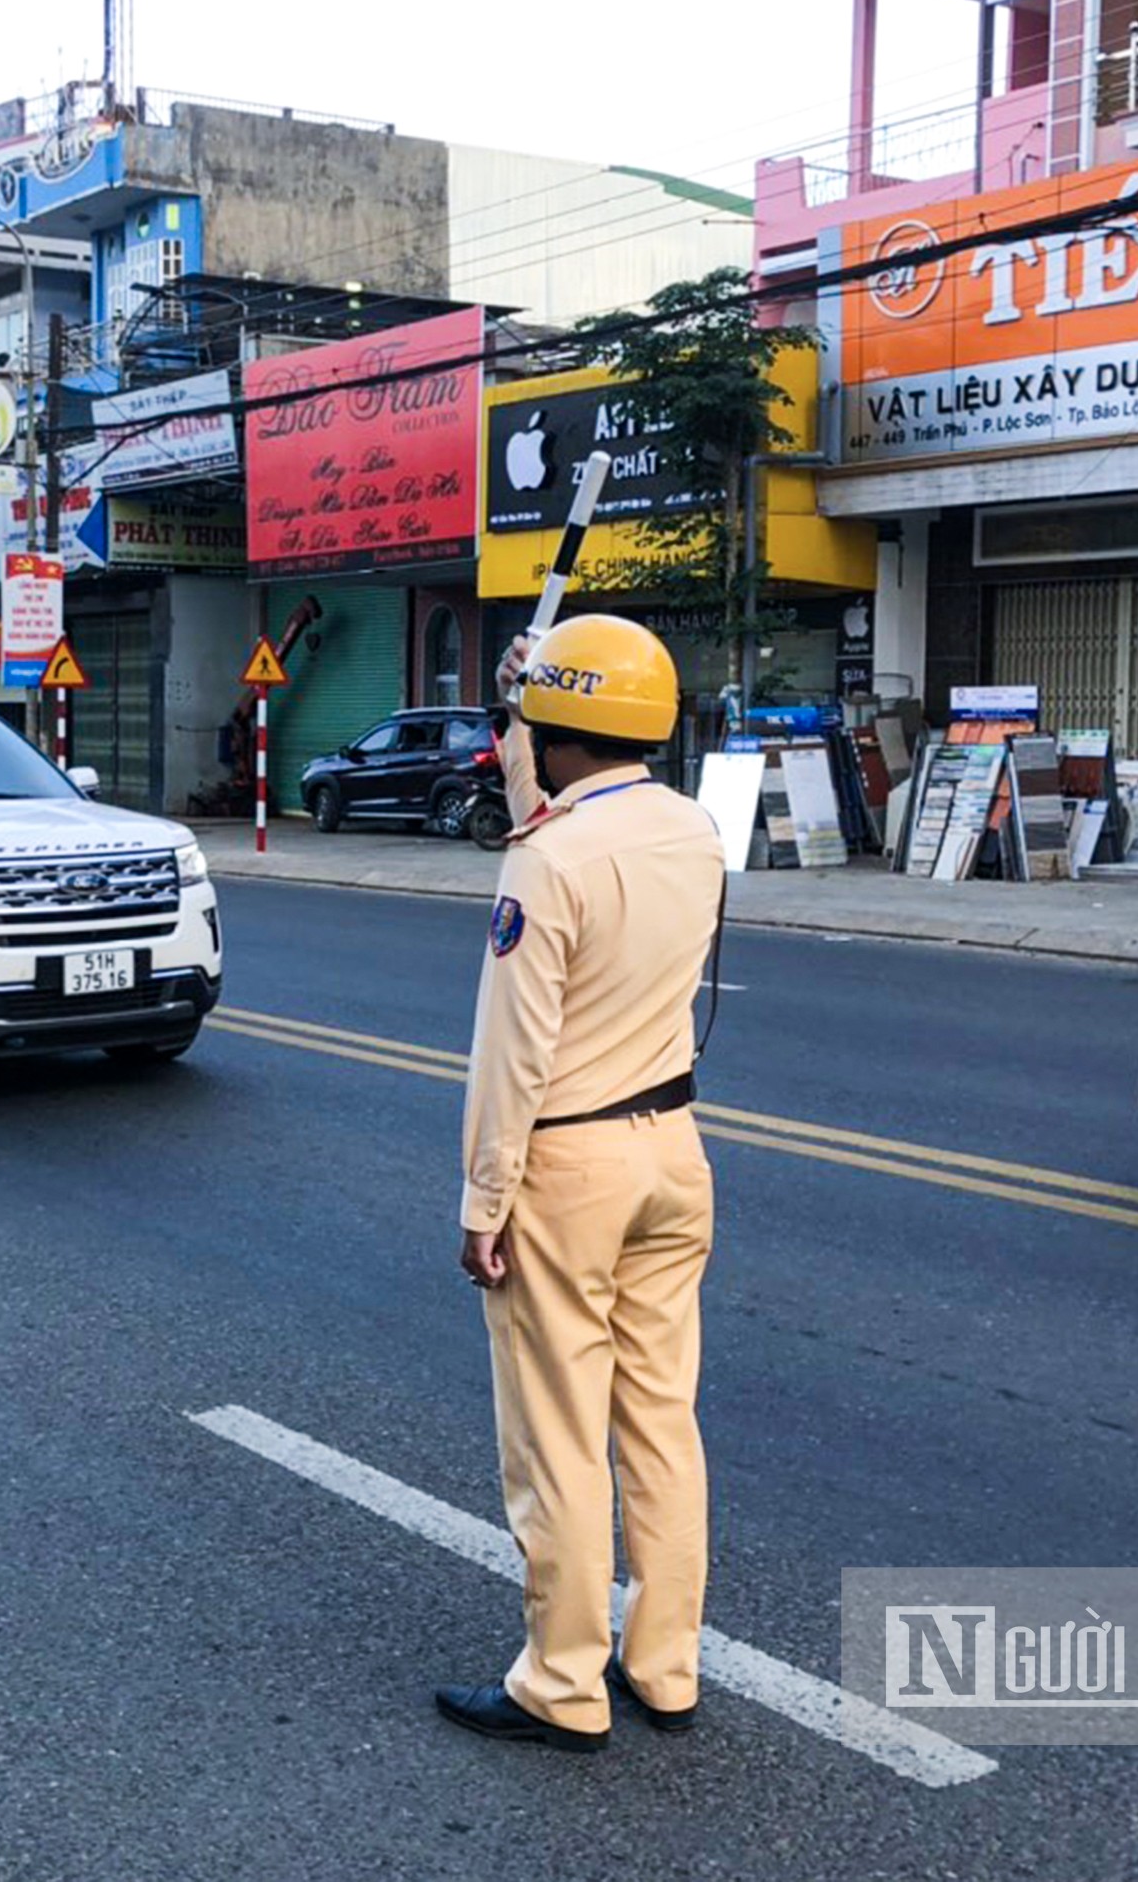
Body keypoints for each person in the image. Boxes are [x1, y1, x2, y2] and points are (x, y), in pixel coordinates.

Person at [434, 614, 726, 1755]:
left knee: (557, 1438)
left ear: (556, 731)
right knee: (660, 1423)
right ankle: (663, 1666)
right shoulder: (694, 832)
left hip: (567, 1166)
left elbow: (513, 1052)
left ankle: (560, 1683)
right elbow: (552, 806)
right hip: (672, 1153)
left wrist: (482, 1201)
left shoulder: (545, 860)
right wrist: (527, 706)